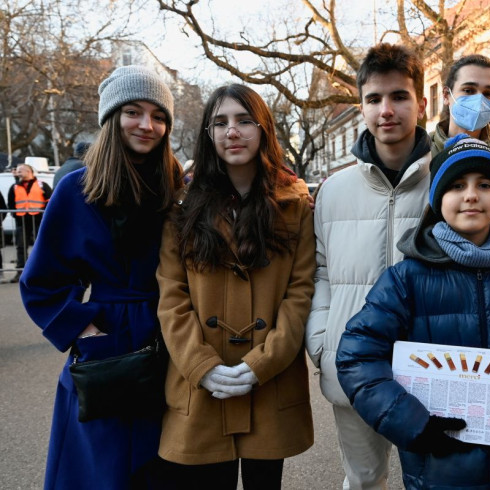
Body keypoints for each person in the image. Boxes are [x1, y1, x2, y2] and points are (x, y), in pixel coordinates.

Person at [336, 135, 490, 489]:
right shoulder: (405, 279)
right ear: (437, 199)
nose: (471, 195)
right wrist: (410, 421)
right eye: (457, 185)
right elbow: (356, 357)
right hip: (438, 470)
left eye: (484, 184)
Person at [19, 65, 182, 489]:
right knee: (100, 467)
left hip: (172, 336)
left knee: (164, 463)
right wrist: (85, 330)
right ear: (112, 117)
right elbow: (41, 282)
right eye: (134, 111)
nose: (147, 125)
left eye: (158, 115)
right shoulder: (77, 189)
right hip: (106, 343)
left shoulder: (175, 185)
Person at [154, 84, 315, 489]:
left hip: (270, 382)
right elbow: (172, 296)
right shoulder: (182, 207)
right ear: (209, 134)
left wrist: (263, 363)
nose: (233, 132)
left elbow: (300, 293)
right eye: (221, 122)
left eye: (245, 121)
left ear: (263, 130)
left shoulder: (295, 205)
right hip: (202, 387)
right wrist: (201, 366)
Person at [305, 43, 430, 489]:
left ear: (422, 102)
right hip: (353, 366)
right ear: (361, 107)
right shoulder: (334, 190)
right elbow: (319, 272)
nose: (386, 110)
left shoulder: (451, 182)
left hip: (431, 366)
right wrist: (322, 341)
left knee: (436, 479)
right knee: (363, 480)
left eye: (399, 96)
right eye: (374, 99)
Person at [429, 54, 490, 157]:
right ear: (446, 95)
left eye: (488, 94)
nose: (479, 100)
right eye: (468, 90)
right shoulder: (423, 151)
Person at [7, 163, 53, 282]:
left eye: (20, 170)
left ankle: (44, 271)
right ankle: (21, 272)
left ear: (29, 171)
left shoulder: (42, 185)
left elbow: (51, 200)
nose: (18, 173)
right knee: (21, 247)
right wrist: (15, 215)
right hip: (21, 221)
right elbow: (11, 203)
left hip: (39, 220)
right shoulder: (14, 187)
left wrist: (45, 215)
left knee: (42, 246)